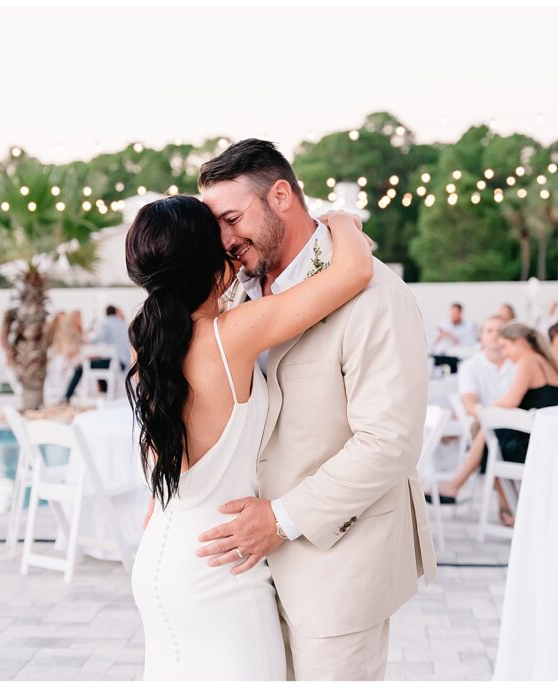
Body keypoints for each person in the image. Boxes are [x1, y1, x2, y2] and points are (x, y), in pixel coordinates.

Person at [163, 139, 436, 681]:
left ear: (282, 196)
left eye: (233, 218)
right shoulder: (230, 295)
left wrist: (280, 521)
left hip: (337, 571)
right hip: (243, 580)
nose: (224, 239)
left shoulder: (376, 296)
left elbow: (390, 442)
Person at [125, 186, 392, 678]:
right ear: (216, 260)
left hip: (161, 556)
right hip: (220, 567)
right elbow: (354, 271)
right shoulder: (233, 335)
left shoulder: (146, 340)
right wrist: (342, 221)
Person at [429, 314, 515, 504]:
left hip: (513, 423)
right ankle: (506, 504)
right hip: (482, 420)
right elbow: (469, 403)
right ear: (481, 336)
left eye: (500, 331)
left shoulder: (516, 364)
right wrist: (491, 416)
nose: (494, 336)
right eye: (489, 331)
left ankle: (458, 486)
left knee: (493, 440)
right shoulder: (471, 366)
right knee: (490, 433)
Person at [487, 323, 558, 525]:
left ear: (520, 343)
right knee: (490, 434)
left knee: (489, 434)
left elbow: (511, 400)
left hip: (534, 446)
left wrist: (489, 406)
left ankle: (509, 508)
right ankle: (510, 507)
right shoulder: (547, 362)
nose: (504, 354)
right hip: (551, 441)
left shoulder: (528, 361)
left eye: (506, 347)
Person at [63, 305, 131, 401]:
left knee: (82, 367)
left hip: (113, 363)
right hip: (123, 362)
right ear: (115, 312)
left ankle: (67, 396)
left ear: (106, 313)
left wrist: (87, 339)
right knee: (98, 364)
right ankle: (105, 391)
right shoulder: (124, 324)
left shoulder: (105, 323)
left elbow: (98, 338)